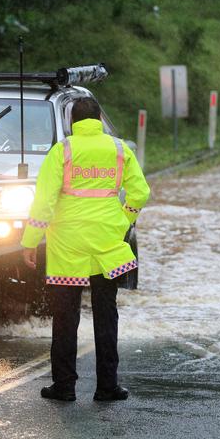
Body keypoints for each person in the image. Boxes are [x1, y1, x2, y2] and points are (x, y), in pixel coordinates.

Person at [21, 97, 150, 401]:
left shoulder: (62, 151)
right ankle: (108, 386)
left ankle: (64, 386)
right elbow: (140, 192)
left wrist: (29, 240)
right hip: (107, 244)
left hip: (68, 246)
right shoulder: (119, 149)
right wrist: (123, 220)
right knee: (107, 316)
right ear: (100, 120)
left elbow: (44, 201)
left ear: (71, 122)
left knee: (65, 318)